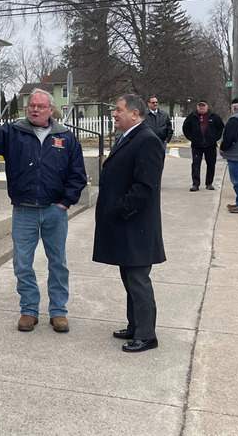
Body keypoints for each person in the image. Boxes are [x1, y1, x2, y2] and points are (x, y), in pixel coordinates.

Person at [0, 89, 87, 333]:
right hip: (24, 211)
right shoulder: (14, 132)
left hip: (55, 210)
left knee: (58, 263)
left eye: (41, 106)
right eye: (32, 105)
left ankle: (59, 312)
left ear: (51, 110)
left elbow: (78, 174)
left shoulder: (66, 137)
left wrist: (65, 202)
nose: (35, 109)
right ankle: (29, 310)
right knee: (22, 263)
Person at [93, 94, 165, 353]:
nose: (114, 114)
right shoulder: (129, 137)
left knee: (138, 280)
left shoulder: (147, 140)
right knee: (128, 277)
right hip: (126, 224)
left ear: (135, 114)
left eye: (118, 110)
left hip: (136, 225)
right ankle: (135, 326)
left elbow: (145, 187)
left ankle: (147, 335)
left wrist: (119, 207)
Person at [182, 100, 225, 192]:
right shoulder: (192, 117)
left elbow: (220, 128)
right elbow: (185, 128)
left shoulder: (214, 116)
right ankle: (195, 184)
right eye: (200, 106)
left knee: (211, 164)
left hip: (211, 145)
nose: (202, 108)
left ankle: (209, 183)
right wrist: (192, 138)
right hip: (197, 145)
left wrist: (214, 138)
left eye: (203, 106)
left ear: (207, 107)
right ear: (197, 107)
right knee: (196, 164)